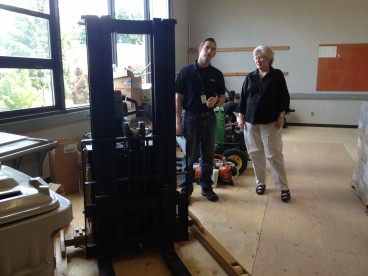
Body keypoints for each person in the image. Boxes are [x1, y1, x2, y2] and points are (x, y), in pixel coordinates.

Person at [238, 45, 291, 202]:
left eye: (261, 57)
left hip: (270, 122)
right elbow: (243, 98)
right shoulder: (250, 77)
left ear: (269, 58)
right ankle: (260, 183)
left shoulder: (277, 75)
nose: (258, 60)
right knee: (255, 154)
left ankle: (283, 188)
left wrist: (282, 115)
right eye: (256, 57)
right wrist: (240, 116)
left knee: (274, 155)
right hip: (250, 122)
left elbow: (284, 97)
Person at [175, 37, 226, 202]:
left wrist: (216, 101)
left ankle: (206, 187)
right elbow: (178, 98)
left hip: (209, 119)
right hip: (190, 118)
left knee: (208, 156)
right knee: (189, 156)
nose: (210, 51)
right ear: (200, 49)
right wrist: (177, 121)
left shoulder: (217, 74)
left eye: (213, 49)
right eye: (207, 48)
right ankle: (186, 190)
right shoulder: (185, 72)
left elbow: (222, 97)